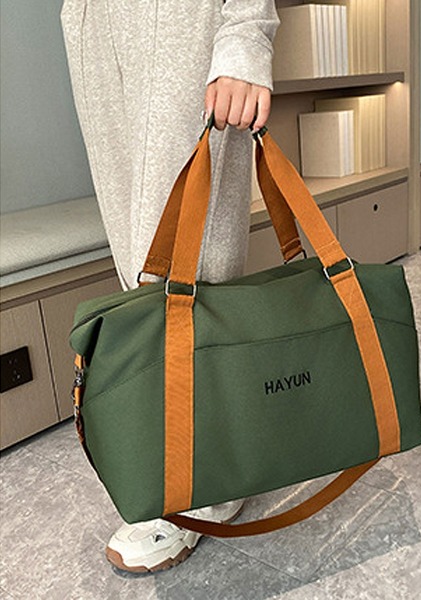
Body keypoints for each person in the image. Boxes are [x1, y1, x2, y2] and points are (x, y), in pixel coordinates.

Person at [60, 0, 280, 573]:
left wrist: (246, 37)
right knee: (139, 264)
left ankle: (205, 483)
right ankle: (184, 458)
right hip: (97, 25)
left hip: (186, 17)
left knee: (190, 261)